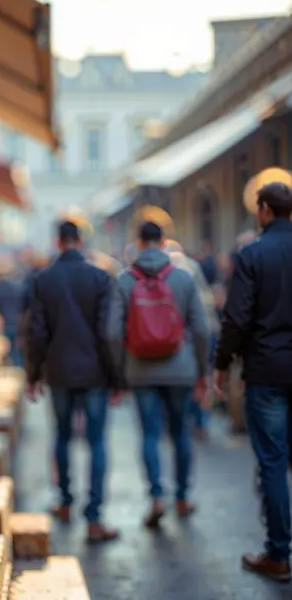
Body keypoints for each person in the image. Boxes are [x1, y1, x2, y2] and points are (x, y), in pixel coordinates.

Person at [107, 222, 210, 528]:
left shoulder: (124, 280)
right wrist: (201, 370)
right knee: (180, 433)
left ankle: (155, 497)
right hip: (180, 369)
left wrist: (120, 370)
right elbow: (202, 330)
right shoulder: (183, 277)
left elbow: (112, 333)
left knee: (150, 434)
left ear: (138, 243)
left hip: (140, 370)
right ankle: (182, 497)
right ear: (163, 241)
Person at [215, 182, 292, 582]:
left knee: (274, 464)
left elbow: (237, 318)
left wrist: (221, 363)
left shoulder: (252, 254)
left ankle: (279, 554)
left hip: (266, 371)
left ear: (263, 210)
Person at [26, 221, 120, 542]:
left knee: (63, 436)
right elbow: (108, 333)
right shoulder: (100, 277)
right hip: (95, 373)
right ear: (80, 241)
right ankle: (94, 519)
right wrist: (117, 378)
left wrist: (34, 374)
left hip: (60, 372)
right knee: (96, 442)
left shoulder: (43, 279)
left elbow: (36, 332)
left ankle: (65, 502)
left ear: (58, 241)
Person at [163, 239, 220, 439]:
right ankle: (201, 423)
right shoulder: (192, 268)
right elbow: (206, 304)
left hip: (172, 341)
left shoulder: (163, 272)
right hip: (197, 336)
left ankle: (179, 422)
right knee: (201, 379)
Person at [0, 257, 24, 367]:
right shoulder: (15, 287)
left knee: (6, 351)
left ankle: (11, 370)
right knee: (16, 351)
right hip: (17, 322)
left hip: (5, 323)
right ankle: (18, 372)